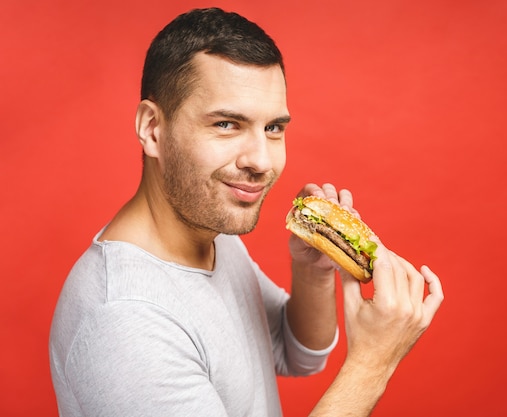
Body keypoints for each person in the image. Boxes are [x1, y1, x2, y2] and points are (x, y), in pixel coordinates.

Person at [49, 7, 444, 417]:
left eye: (273, 128)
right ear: (152, 128)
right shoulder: (126, 319)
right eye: (226, 124)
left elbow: (297, 353)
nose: (261, 161)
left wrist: (313, 271)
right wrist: (372, 364)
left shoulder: (210, 232)